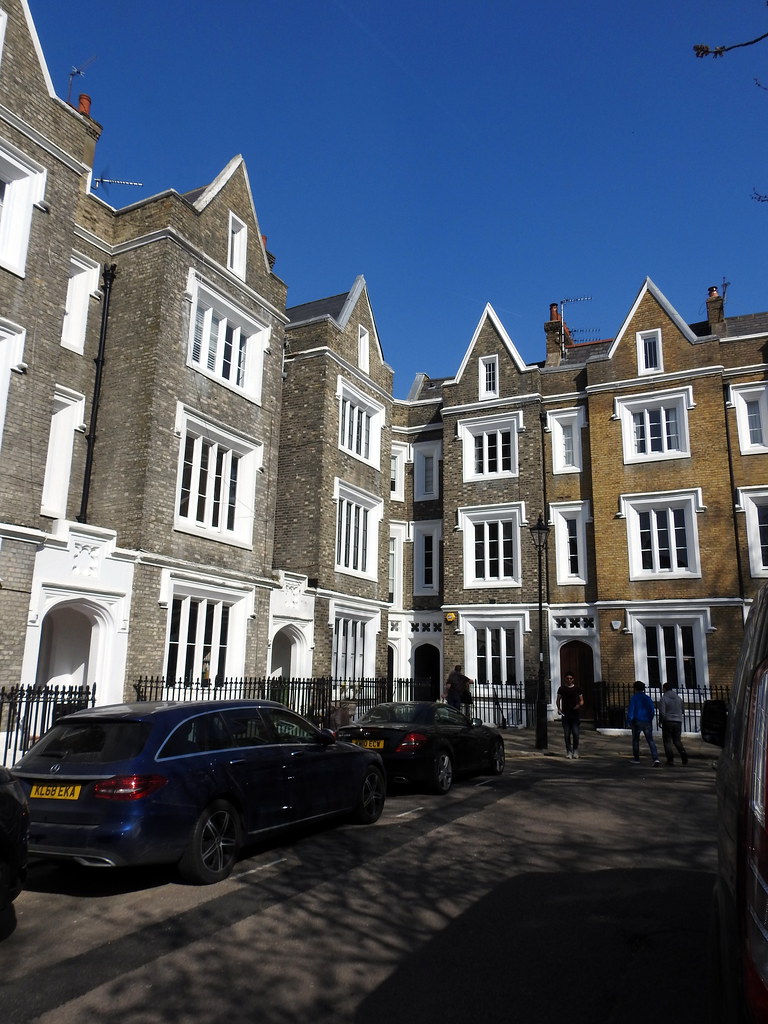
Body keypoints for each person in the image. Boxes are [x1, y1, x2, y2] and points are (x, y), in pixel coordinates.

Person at [626, 680, 660, 766]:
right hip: (647, 721)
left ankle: (636, 759)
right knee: (650, 740)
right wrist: (650, 719)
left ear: (635, 688)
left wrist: (629, 721)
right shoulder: (647, 698)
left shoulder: (634, 698)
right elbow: (652, 710)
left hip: (637, 721)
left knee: (636, 740)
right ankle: (655, 759)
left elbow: (631, 711)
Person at [659, 681, 688, 766]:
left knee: (667, 741)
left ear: (664, 689)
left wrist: (660, 721)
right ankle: (684, 756)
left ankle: (670, 760)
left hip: (667, 721)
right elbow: (682, 710)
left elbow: (662, 712)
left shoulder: (664, 698)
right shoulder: (678, 698)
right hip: (678, 721)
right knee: (677, 741)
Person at [556, 672, 584, 759]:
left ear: (573, 679)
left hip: (575, 714)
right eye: (567, 678)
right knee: (566, 734)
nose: (569, 680)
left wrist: (578, 706)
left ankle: (575, 750)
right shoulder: (562, 689)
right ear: (565, 679)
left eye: (570, 678)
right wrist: (559, 708)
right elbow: (558, 699)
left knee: (575, 734)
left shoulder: (577, 689)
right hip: (565, 714)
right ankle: (569, 751)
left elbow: (582, 701)